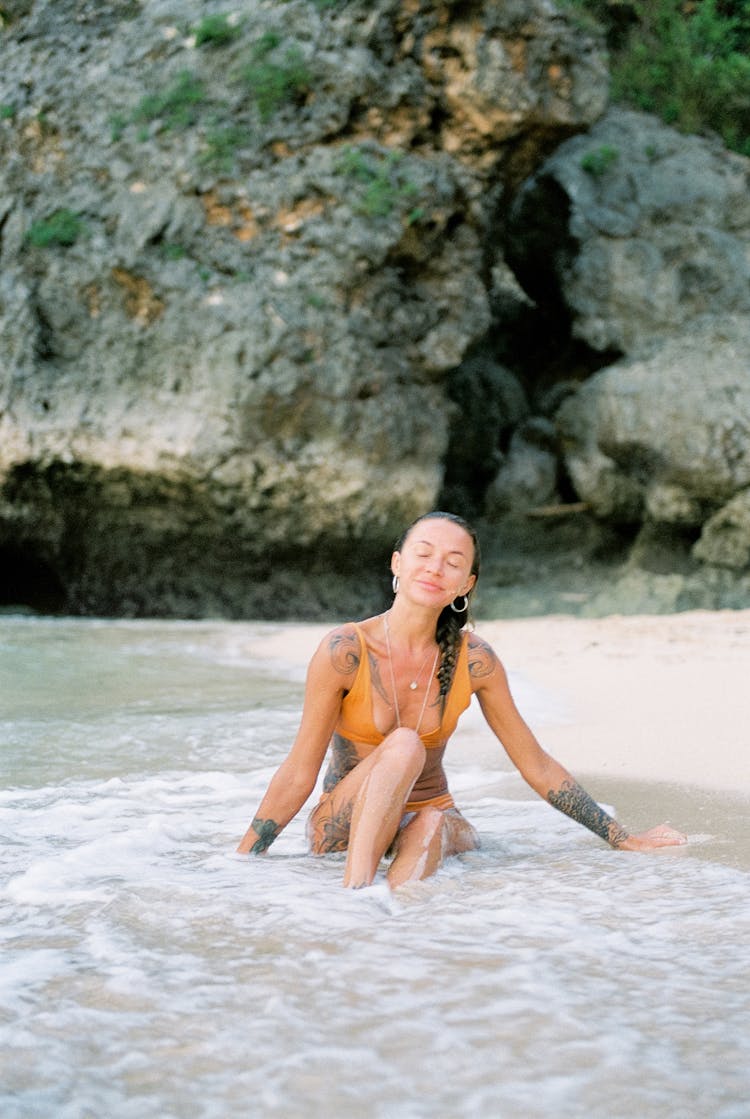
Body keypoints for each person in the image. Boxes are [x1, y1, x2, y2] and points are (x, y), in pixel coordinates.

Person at [236, 510, 687, 887]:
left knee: (430, 820)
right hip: (343, 827)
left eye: (453, 562)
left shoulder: (475, 661)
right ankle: (355, 895)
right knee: (405, 744)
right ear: (397, 563)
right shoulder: (345, 651)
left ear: (466, 583)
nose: (435, 568)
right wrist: (237, 865)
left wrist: (618, 836)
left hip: (433, 819)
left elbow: (535, 763)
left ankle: (384, 920)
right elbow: (299, 770)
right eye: (424, 554)